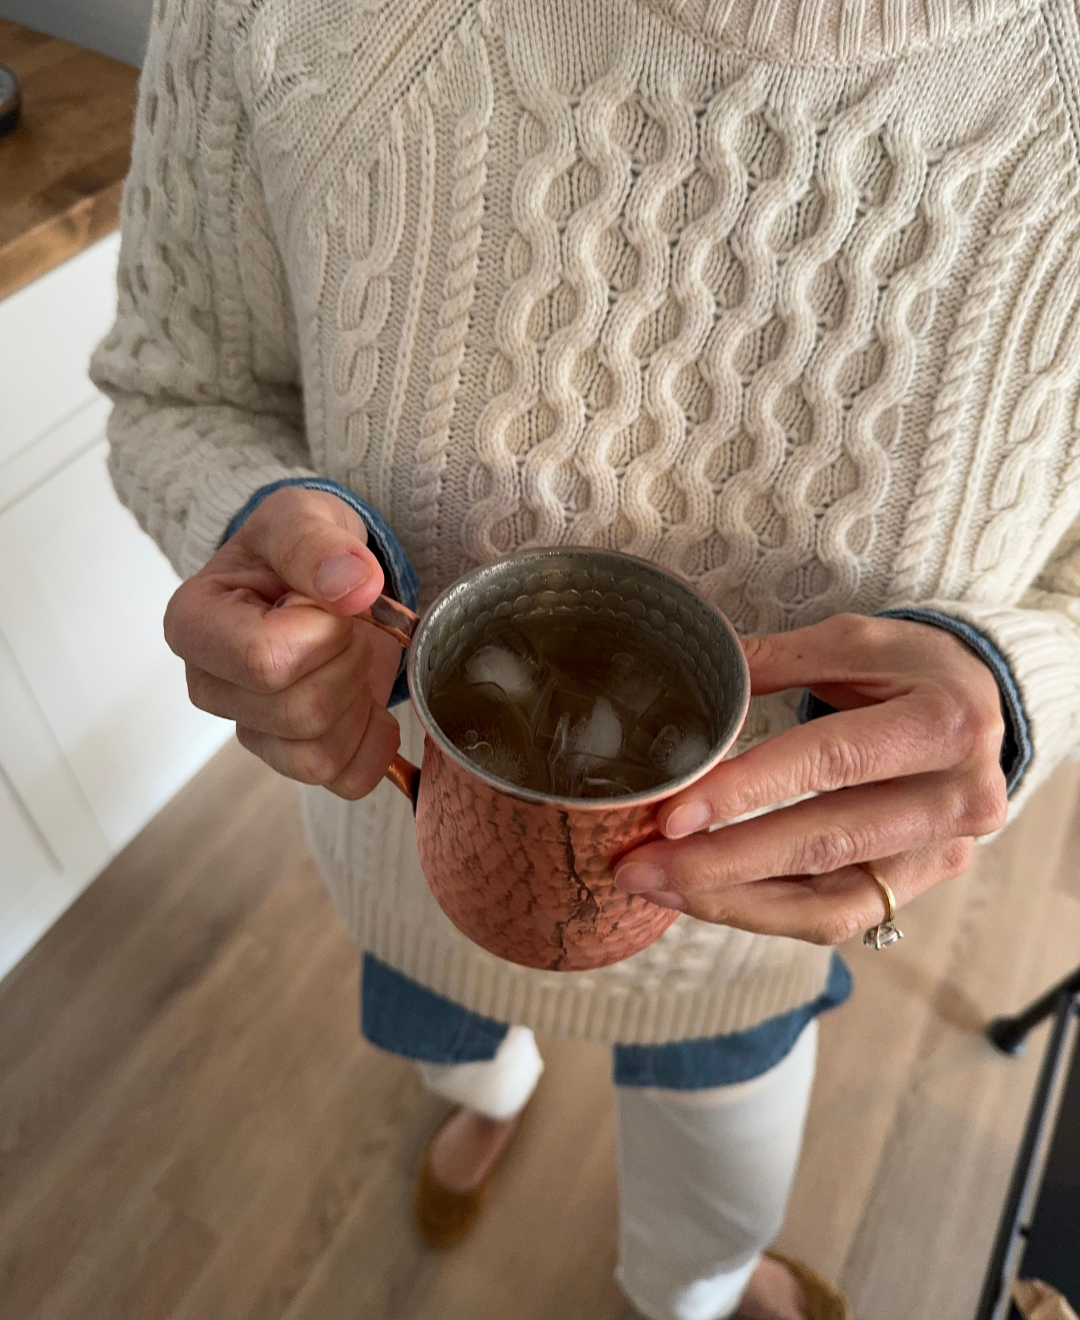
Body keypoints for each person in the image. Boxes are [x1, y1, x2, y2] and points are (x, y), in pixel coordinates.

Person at [91, 0, 1080, 1314]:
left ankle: (697, 1284)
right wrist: (256, 547)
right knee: (451, 1048)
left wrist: (1010, 690)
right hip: (408, 855)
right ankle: (494, 1096)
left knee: (711, 1218)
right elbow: (181, 386)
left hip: (757, 937)